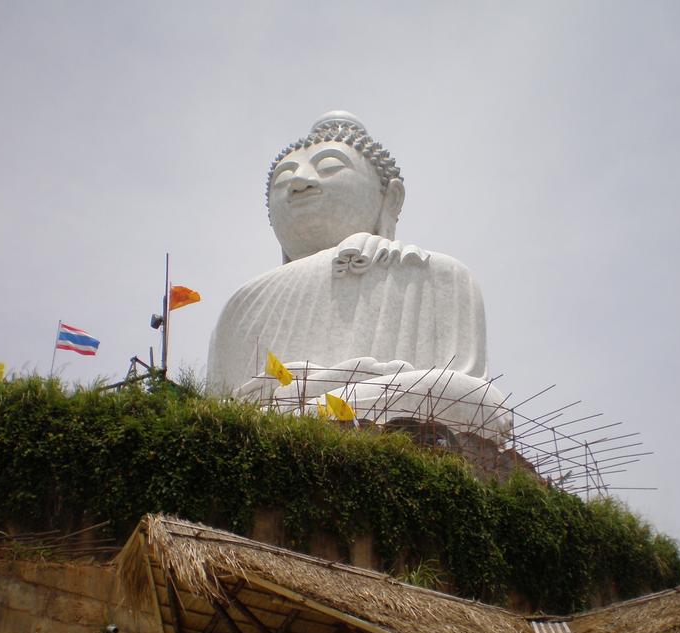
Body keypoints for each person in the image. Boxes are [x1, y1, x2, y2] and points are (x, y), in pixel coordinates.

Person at [208, 111, 510, 441]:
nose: (299, 182)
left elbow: (473, 398)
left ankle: (301, 412)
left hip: (368, 405)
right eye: (283, 178)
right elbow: (215, 406)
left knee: (473, 399)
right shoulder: (242, 304)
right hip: (275, 417)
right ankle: (312, 410)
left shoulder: (436, 273)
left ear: (390, 199)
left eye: (330, 167)